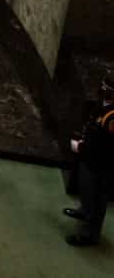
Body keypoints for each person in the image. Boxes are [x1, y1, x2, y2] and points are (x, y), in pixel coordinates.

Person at [64, 75, 114, 246]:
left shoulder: (113, 117)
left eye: (107, 88)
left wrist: (81, 148)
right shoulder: (104, 105)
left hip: (101, 164)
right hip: (90, 158)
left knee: (97, 199)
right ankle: (84, 210)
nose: (102, 89)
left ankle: (89, 235)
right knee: (86, 190)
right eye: (104, 85)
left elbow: (106, 147)